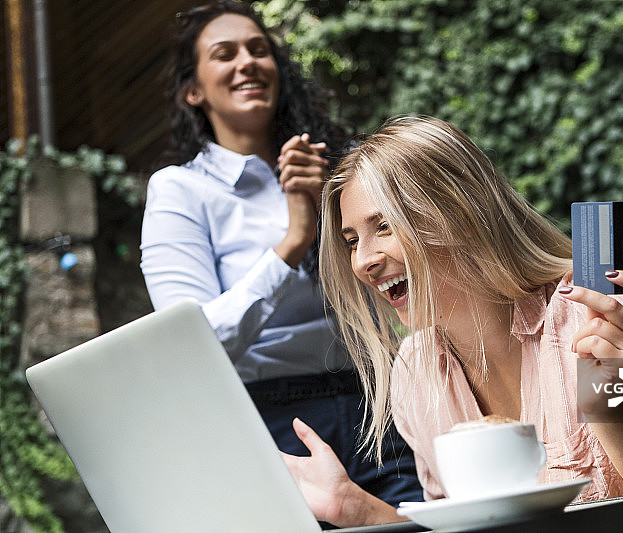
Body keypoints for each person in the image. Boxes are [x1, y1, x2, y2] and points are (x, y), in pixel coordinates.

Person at [281, 115, 623, 532]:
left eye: (384, 225)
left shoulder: (603, 309)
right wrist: (357, 508)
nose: (363, 260)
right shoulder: (416, 369)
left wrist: (608, 404)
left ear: (459, 212)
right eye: (351, 239)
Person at [139, 1, 422, 509]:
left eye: (258, 49)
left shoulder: (337, 166)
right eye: (224, 54)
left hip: (375, 401)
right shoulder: (181, 191)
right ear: (193, 90)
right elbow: (190, 344)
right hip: (268, 420)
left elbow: (399, 279)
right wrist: (294, 239)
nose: (246, 62)